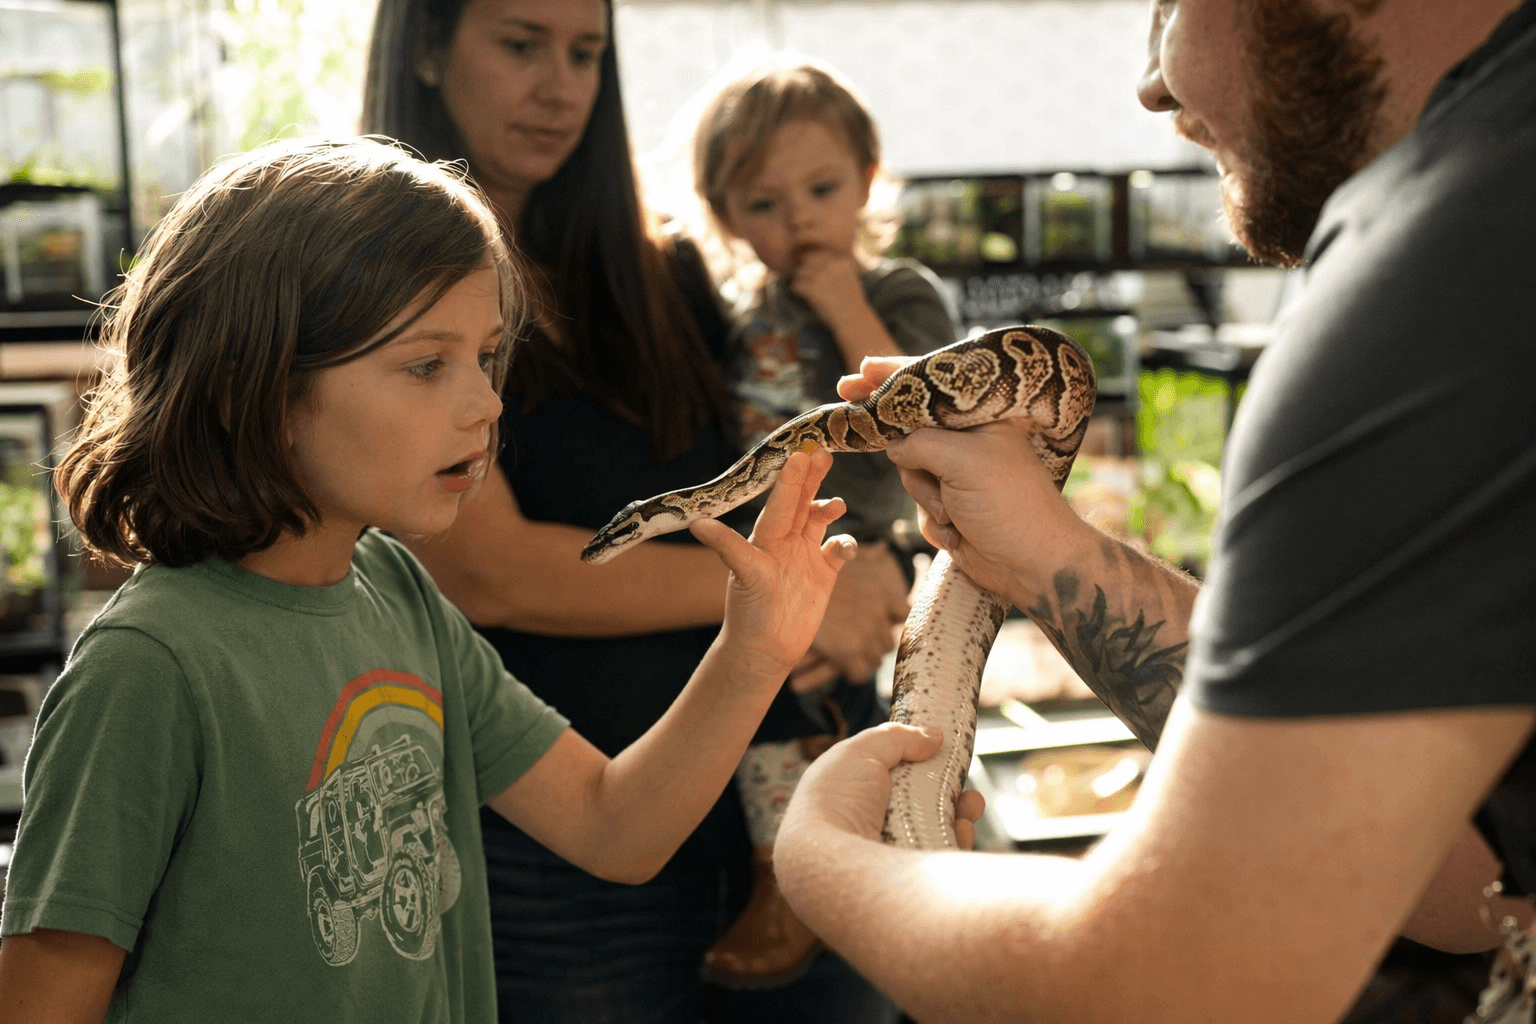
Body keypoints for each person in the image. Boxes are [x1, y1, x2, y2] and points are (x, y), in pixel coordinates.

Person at [771, 0, 1536, 1021]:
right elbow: (1451, 865)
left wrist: (821, 852)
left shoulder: (1449, 258)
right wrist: (1047, 556)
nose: (1151, 81)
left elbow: (1176, 978)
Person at [0, 137, 857, 1023]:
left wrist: (756, 644)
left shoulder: (402, 595)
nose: (486, 403)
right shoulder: (148, 667)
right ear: (248, 385)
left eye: (486, 358)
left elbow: (617, 827)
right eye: (424, 365)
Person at [361, 1, 909, 1020]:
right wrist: (792, 596)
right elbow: (488, 570)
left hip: (791, 799)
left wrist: (871, 563)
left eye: (586, 52)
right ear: (427, 49)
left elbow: (819, 454)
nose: (561, 85)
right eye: (521, 44)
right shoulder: (383, 280)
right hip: (560, 835)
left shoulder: (667, 272)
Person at [687, 57, 957, 989]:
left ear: (868, 181)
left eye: (821, 189)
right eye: (763, 205)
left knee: (820, 697)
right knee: (767, 694)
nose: (797, 218)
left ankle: (797, 879)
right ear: (724, 217)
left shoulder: (904, 292)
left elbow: (925, 417)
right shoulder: (738, 314)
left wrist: (847, 302)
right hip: (776, 537)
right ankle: (793, 862)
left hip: (866, 535)